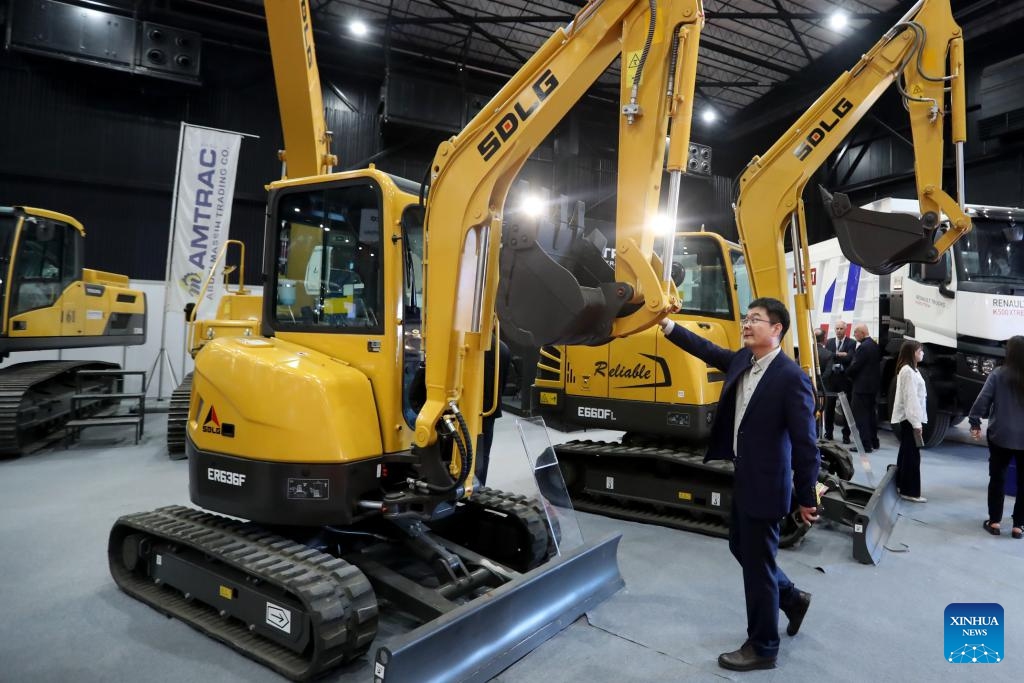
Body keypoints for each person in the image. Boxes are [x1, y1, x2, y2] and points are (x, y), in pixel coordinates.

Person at [659, 297, 819, 672]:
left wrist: (807, 495)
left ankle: (764, 646)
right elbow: (705, 349)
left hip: (767, 485)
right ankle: (792, 599)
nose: (747, 325)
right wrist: (667, 326)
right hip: (743, 476)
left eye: (756, 320)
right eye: (746, 319)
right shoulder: (743, 362)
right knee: (741, 548)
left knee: (758, 566)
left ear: (776, 329)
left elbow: (806, 444)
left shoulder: (791, 378)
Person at [969, 335, 1024, 539]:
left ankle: (995, 522)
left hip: (1001, 435)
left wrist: (974, 422)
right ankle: (1018, 526)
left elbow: (982, 400)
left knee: (998, 478)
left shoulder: (999, 374)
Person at [890, 340, 928, 503]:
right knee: (912, 455)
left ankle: (901, 484)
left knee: (906, 453)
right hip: (909, 419)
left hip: (911, 418)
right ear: (913, 352)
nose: (922, 353)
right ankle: (909, 491)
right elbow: (910, 398)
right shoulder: (907, 371)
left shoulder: (913, 370)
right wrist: (916, 423)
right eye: (920, 351)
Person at [476, 339, 511, 486]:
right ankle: (479, 486)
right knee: (483, 452)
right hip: (490, 409)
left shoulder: (467, 344)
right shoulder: (502, 348)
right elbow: (502, 384)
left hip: (463, 408)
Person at [846, 323, 881, 452]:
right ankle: (874, 441)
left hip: (861, 388)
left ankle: (865, 445)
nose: (854, 335)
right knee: (871, 415)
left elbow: (856, 366)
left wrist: (847, 373)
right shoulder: (874, 345)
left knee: (861, 417)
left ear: (861, 332)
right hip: (872, 388)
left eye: (855, 332)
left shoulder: (863, 347)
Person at [824, 320, 856, 443]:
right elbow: (828, 356)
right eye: (837, 329)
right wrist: (839, 354)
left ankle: (846, 436)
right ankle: (829, 433)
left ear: (845, 330)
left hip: (844, 380)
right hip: (831, 380)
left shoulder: (851, 342)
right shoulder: (830, 342)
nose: (838, 331)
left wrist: (836, 355)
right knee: (829, 408)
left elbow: (849, 358)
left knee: (846, 409)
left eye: (841, 329)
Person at [814, 328, 834, 439]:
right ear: (824, 339)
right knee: (819, 411)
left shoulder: (806, 351)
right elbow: (827, 373)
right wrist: (818, 383)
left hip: (806, 387)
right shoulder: (828, 354)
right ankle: (819, 436)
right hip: (821, 388)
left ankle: (813, 434)